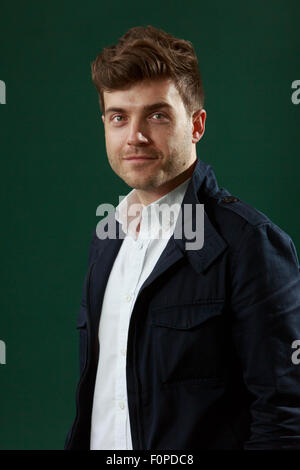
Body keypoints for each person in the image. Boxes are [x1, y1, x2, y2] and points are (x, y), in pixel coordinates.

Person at [64, 25, 300, 450]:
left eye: (156, 115)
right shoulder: (107, 239)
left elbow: (284, 418)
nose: (134, 135)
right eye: (119, 117)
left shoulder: (251, 245)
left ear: (196, 125)